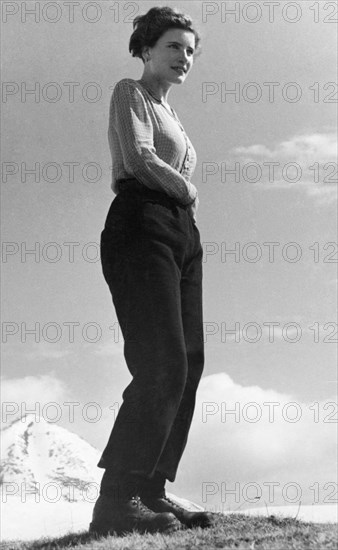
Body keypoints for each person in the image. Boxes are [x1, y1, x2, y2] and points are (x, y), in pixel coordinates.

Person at [89, 6, 214, 537]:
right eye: (173, 47)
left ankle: (151, 491)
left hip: (182, 234)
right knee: (160, 360)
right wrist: (187, 190)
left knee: (188, 361)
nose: (184, 57)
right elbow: (140, 158)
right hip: (142, 223)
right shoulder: (130, 93)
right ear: (146, 48)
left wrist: (186, 209)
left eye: (190, 50)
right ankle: (117, 498)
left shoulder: (175, 116)